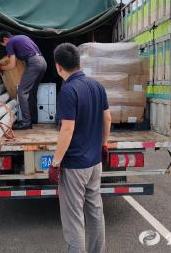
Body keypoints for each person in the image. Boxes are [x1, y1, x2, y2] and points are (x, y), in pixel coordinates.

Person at [49, 43, 111, 253]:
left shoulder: (68, 90)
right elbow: (107, 118)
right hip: (95, 163)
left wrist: (55, 163)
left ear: (58, 67)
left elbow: (67, 129)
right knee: (95, 211)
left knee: (74, 218)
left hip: (75, 165)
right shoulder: (97, 86)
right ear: (78, 62)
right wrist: (103, 143)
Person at [0, 31, 47, 130]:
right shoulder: (22, 37)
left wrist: (1, 68)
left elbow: (12, 64)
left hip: (34, 63)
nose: (6, 47)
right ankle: (33, 119)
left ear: (5, 39)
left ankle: (26, 122)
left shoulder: (10, 42)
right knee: (32, 92)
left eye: (4, 45)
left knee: (22, 91)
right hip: (42, 62)